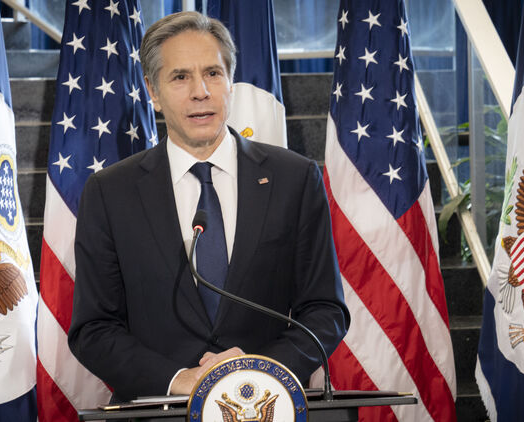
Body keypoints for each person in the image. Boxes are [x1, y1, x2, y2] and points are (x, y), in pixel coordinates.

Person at [67, 11, 349, 401]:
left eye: (213, 73)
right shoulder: (110, 192)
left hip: (264, 406)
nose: (200, 91)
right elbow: (94, 329)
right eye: (180, 77)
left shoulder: (294, 179)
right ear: (152, 91)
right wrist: (179, 379)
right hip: (159, 408)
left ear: (230, 82)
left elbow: (325, 310)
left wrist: (257, 372)